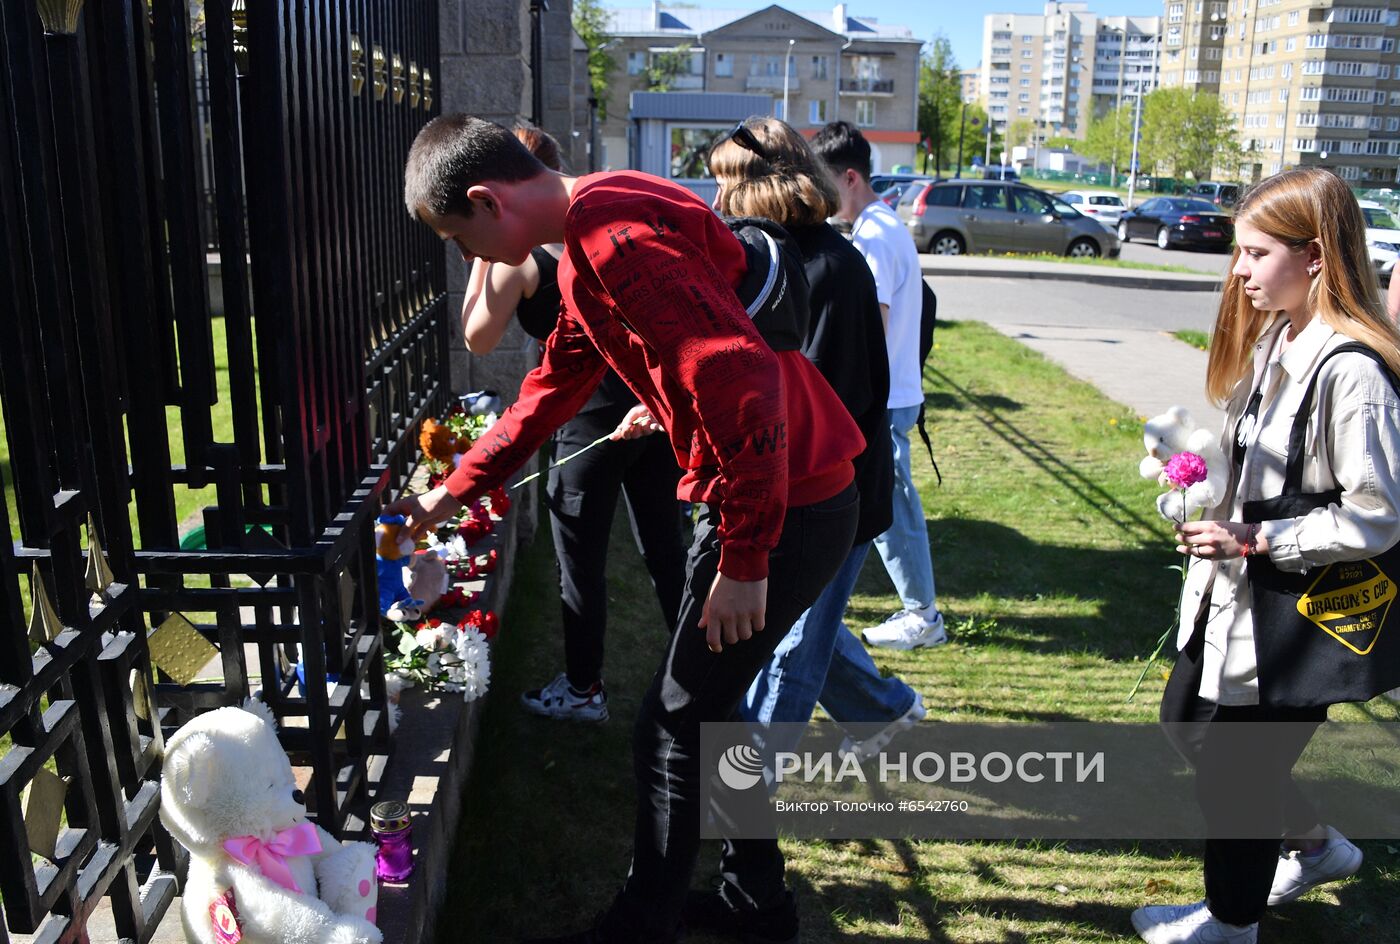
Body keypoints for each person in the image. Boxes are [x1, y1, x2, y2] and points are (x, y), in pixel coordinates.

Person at [390, 114, 865, 944]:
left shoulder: (609, 241)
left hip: (788, 504)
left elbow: (742, 374)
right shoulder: (592, 229)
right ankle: (760, 907)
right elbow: (550, 391)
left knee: (674, 724)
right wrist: (453, 492)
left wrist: (746, 556)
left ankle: (641, 926)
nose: (470, 260)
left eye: (460, 237)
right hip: (789, 492)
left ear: (486, 200)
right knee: (707, 714)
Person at [1133, 168, 1400, 944]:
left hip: (1291, 619)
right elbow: (1264, 461)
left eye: (1254, 253)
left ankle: (1232, 924)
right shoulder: (1283, 334)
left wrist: (1257, 538)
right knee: (1186, 724)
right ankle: (1314, 847)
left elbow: (1379, 516)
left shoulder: (1352, 372)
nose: (1239, 270)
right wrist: (1193, 465)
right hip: (1234, 598)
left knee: (1235, 777)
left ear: (1315, 255)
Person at [683, 116, 925, 942]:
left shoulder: (803, 265)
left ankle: (750, 796)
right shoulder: (815, 256)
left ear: (758, 185)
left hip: (820, 495)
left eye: (725, 179)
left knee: (788, 651)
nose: (715, 196)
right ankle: (889, 706)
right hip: (823, 489)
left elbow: (802, 401)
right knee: (805, 634)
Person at [460, 125, 687, 723]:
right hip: (648, 407)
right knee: (667, 546)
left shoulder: (522, 257)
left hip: (589, 422)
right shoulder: (581, 236)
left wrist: (481, 263)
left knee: (580, 556)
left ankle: (585, 687)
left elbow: (476, 336)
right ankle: (706, 671)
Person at [811, 120, 948, 651]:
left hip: (885, 400)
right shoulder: (881, 225)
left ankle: (922, 615)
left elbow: (873, 327)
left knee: (891, 509)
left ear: (849, 178)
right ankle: (919, 611)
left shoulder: (873, 237)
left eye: (824, 182)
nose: (820, 196)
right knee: (887, 506)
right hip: (893, 395)